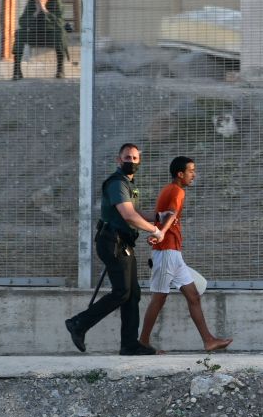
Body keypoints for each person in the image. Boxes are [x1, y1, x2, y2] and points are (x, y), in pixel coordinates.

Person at [65, 144, 163, 355]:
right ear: (119, 160)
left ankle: (129, 344)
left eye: (135, 158)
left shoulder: (128, 184)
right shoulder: (117, 183)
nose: (132, 161)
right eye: (127, 157)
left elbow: (134, 212)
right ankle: (79, 323)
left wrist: (158, 217)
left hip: (124, 243)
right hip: (113, 242)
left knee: (132, 293)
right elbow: (128, 216)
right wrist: (155, 230)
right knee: (122, 292)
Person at [138, 156, 233, 354]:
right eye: (191, 171)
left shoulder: (168, 189)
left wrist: (135, 215)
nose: (194, 174)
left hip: (173, 253)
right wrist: (161, 233)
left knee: (193, 296)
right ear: (180, 174)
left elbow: (158, 216)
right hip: (166, 252)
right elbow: (171, 214)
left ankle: (208, 340)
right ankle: (143, 343)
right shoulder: (177, 191)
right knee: (159, 298)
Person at [12, 0, 70, 80]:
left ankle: (60, 70)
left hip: (50, 35)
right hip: (35, 34)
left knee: (60, 33)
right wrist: (35, 13)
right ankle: (17, 70)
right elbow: (22, 22)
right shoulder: (31, 3)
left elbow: (60, 23)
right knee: (19, 33)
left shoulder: (56, 2)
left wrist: (45, 10)